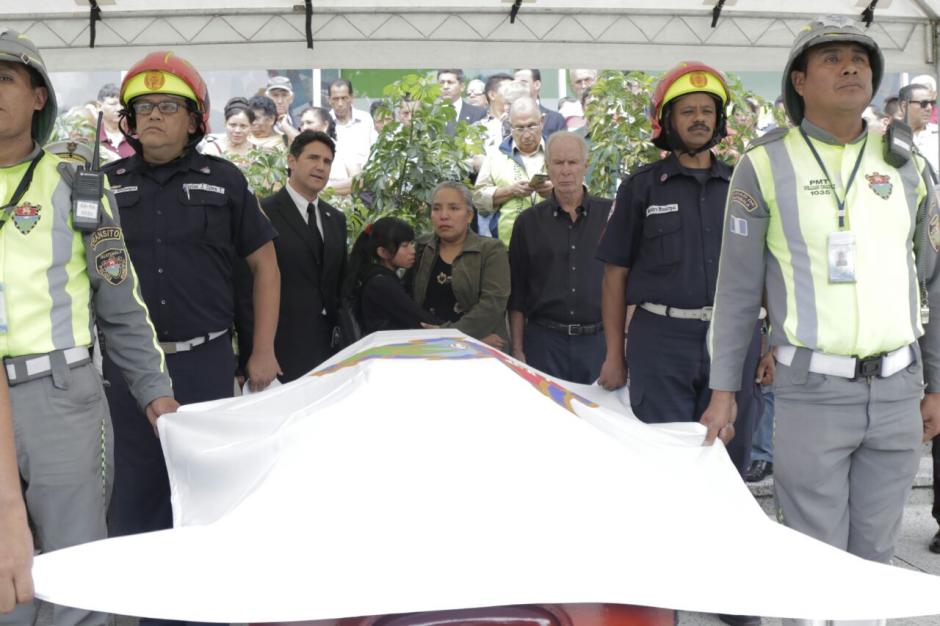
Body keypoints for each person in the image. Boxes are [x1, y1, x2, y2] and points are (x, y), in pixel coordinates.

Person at [701, 15, 940, 584]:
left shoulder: (907, 163)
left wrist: (935, 383)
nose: (851, 66)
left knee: (876, 559)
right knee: (813, 560)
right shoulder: (763, 164)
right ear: (799, 81)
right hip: (811, 391)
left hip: (898, 390)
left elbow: (931, 279)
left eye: (859, 59)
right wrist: (723, 392)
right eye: (831, 58)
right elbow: (735, 289)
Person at [0, 30, 176, 626]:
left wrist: (155, 392)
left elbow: (121, 302)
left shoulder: (79, 185)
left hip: (60, 396)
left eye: (5, 80)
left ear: (39, 97)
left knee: (75, 572)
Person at [102, 51, 280, 568]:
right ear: (129, 123)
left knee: (205, 495)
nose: (153, 116)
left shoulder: (224, 180)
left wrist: (263, 350)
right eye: (143, 108)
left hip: (204, 363)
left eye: (168, 106)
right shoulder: (103, 184)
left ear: (194, 119)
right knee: (138, 497)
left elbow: (265, 267)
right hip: (130, 367)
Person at [596, 61, 762, 479]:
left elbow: (765, 266)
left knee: (729, 454)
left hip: (732, 340)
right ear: (667, 121)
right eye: (687, 111)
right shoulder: (641, 187)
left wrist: (771, 342)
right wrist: (615, 354)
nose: (699, 119)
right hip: (660, 342)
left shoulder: (742, 187)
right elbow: (615, 276)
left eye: (707, 110)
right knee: (664, 457)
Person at [242, 131, 347, 383]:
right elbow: (244, 290)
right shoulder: (262, 212)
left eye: (327, 161)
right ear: (291, 161)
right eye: (313, 158)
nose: (320, 166)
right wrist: (253, 353)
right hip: (277, 353)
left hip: (330, 353)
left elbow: (339, 286)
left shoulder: (336, 219)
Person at [508, 132, 610, 383]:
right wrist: (518, 350)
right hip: (544, 344)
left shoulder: (611, 215)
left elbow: (628, 284)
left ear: (586, 167)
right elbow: (517, 294)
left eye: (573, 163)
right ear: (547, 168)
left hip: (599, 343)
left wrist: (624, 346)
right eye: (558, 163)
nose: (565, 171)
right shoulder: (527, 223)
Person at [406, 182, 510, 350]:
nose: (444, 215)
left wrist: (451, 334)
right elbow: (407, 298)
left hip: (480, 344)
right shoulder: (422, 247)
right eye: (437, 208)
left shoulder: (491, 250)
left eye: (454, 208)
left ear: (469, 215)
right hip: (428, 344)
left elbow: (493, 305)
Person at [473, 97, 553, 245]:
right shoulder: (495, 156)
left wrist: (554, 192)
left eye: (532, 126)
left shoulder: (558, 152)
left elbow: (582, 191)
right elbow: (478, 199)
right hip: (508, 246)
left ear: (542, 122)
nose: (527, 134)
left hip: (553, 245)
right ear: (510, 126)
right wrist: (510, 191)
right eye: (520, 128)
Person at [345, 217, 439, 335]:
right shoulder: (381, 284)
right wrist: (452, 327)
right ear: (383, 252)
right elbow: (420, 319)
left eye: (411, 243)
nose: (413, 250)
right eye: (405, 246)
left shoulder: (374, 276)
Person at [297, 105, 358, 195]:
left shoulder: (344, 147)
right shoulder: (297, 153)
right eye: (302, 124)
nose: (304, 128)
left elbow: (357, 181)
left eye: (309, 123)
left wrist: (324, 189)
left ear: (325, 125)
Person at [328, 78, 377, 171]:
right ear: (329, 100)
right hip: (335, 182)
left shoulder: (365, 119)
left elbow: (375, 150)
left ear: (351, 98)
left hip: (366, 178)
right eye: (335, 99)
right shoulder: (324, 123)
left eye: (344, 98)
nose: (340, 103)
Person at [899, 83, 939, 175]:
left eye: (932, 103)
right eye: (923, 103)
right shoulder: (891, 136)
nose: (929, 108)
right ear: (904, 106)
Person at [513, 69, 566, 137]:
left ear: (537, 85)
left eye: (523, 82)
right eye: (515, 83)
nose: (518, 87)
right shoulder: (508, 118)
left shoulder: (555, 119)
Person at [438, 69, 487, 136]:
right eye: (442, 82)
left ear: (462, 87)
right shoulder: (429, 113)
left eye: (450, 82)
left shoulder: (478, 113)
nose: (445, 87)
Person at [97, 82, 135, 158]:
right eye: (113, 104)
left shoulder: (137, 135)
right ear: (99, 106)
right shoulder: (93, 138)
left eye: (123, 104)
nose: (119, 108)